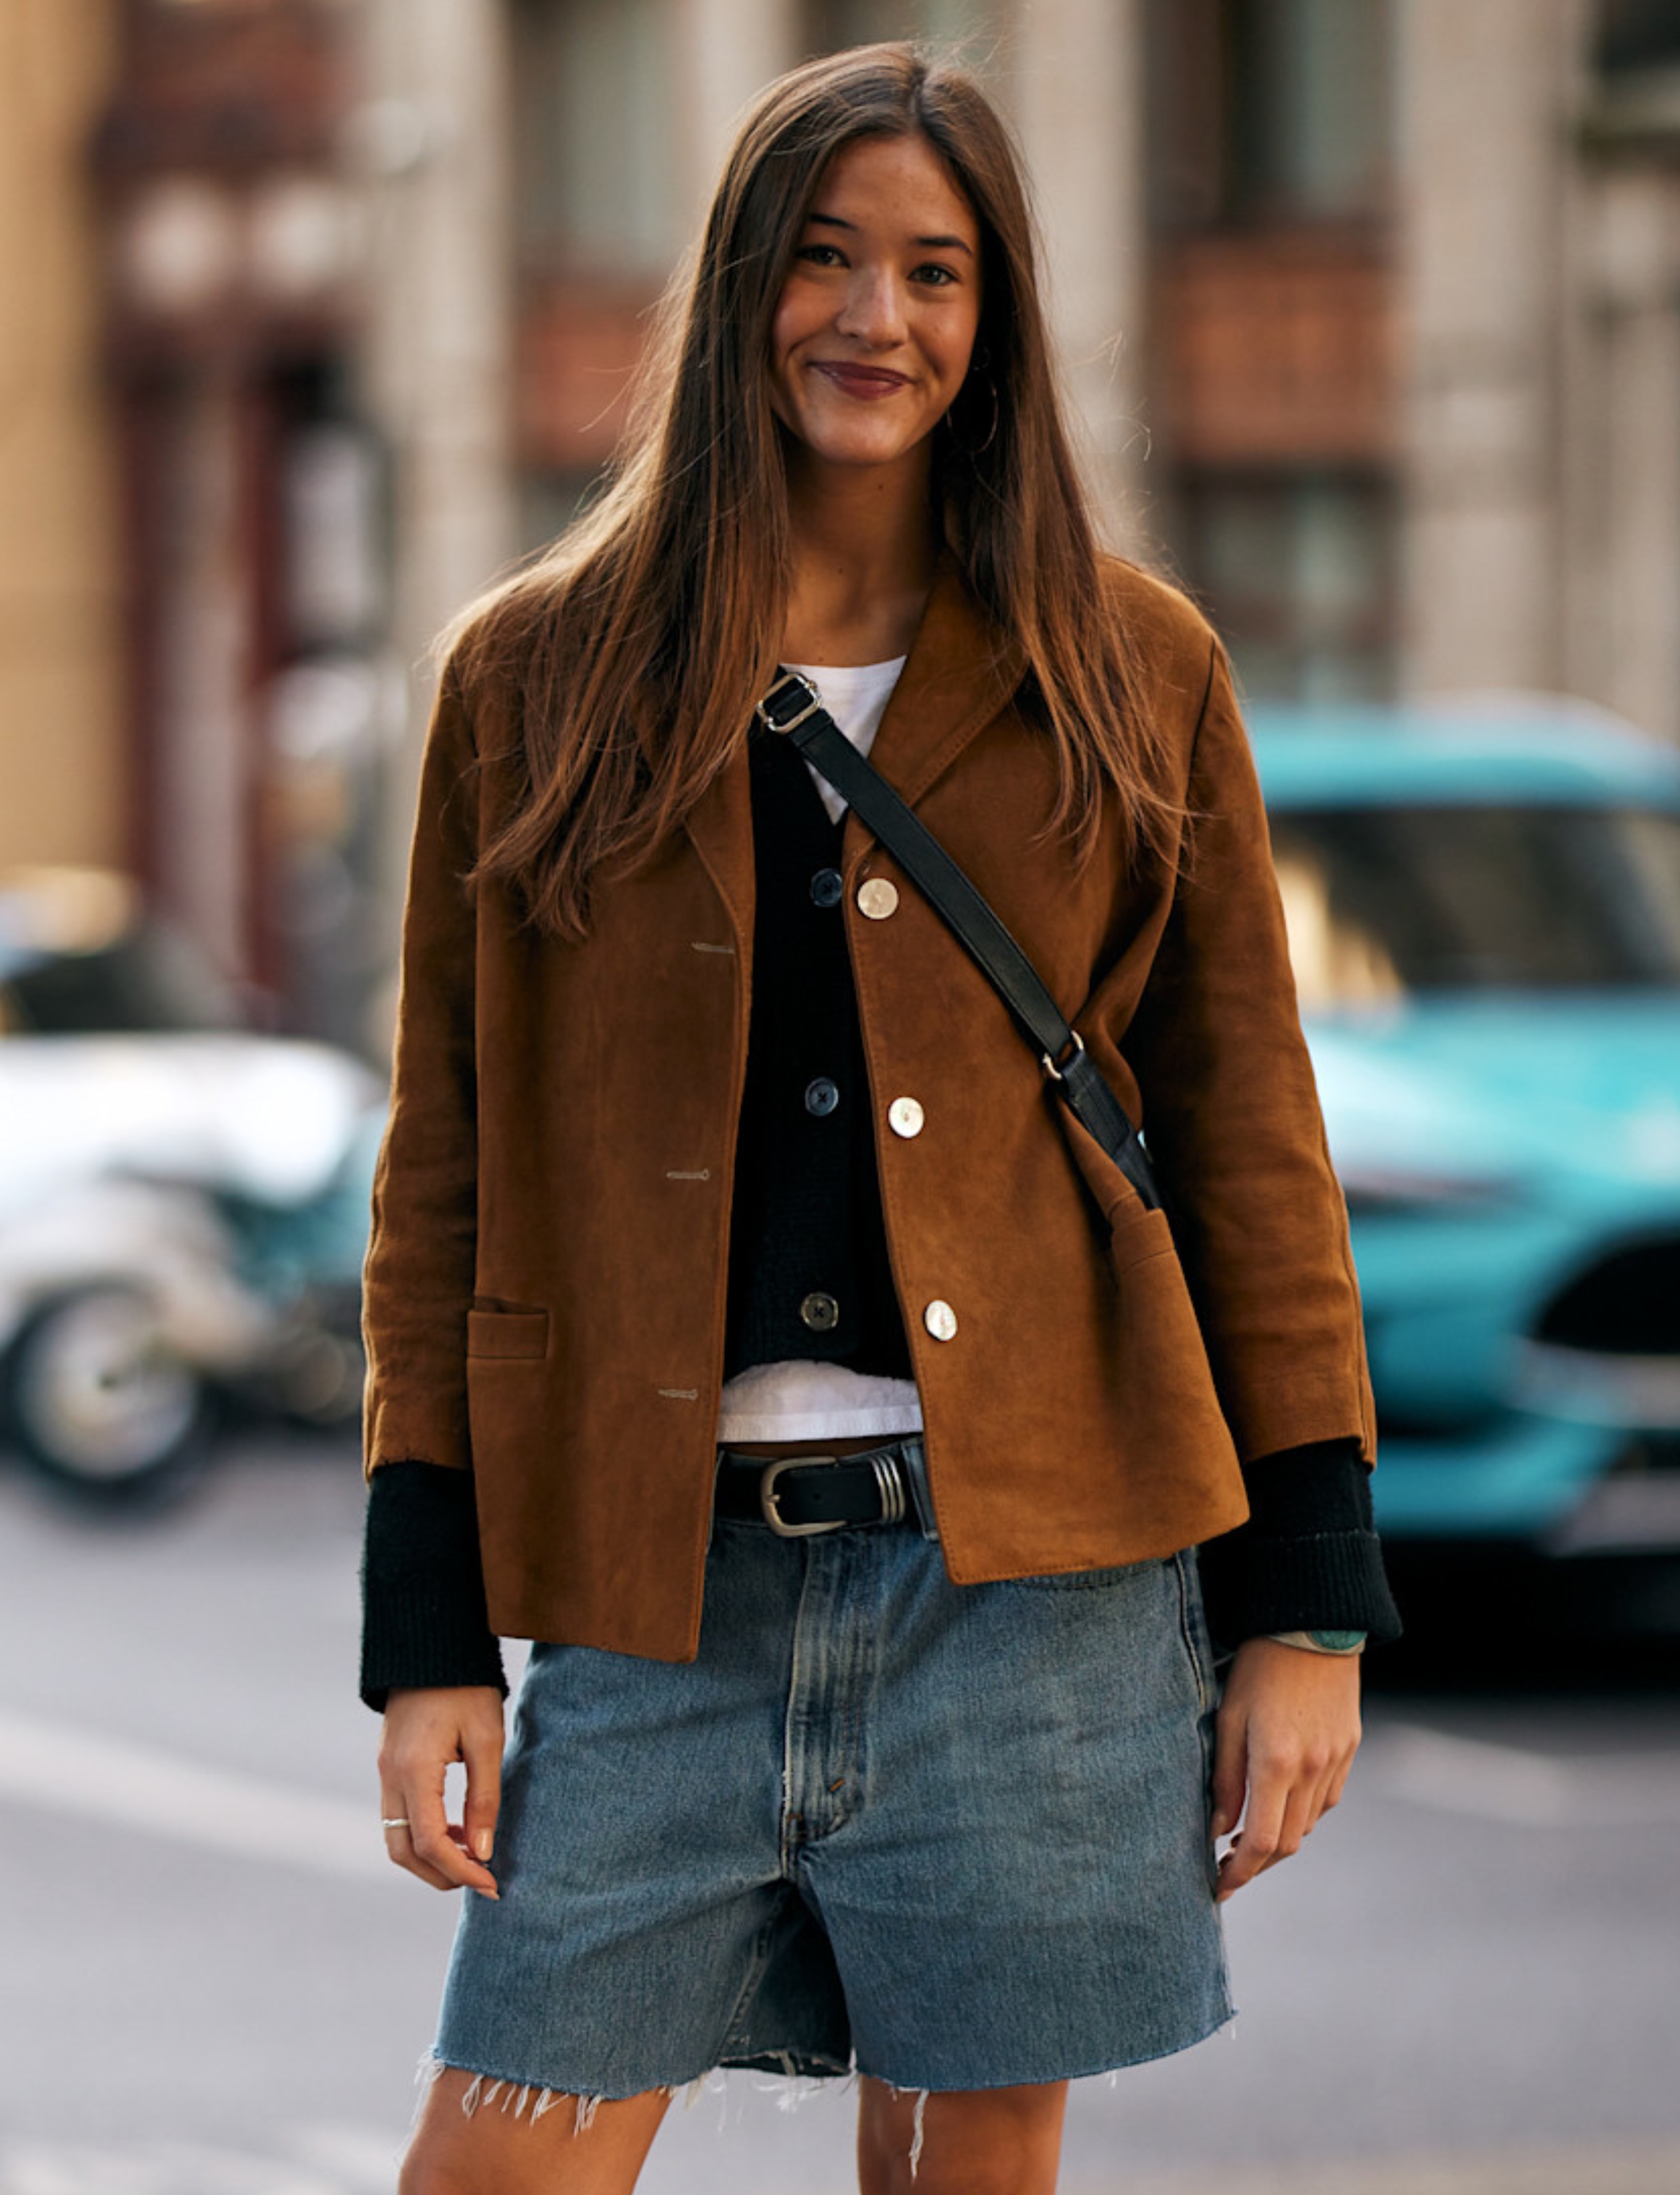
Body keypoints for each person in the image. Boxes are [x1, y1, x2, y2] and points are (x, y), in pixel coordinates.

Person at [360, 43, 1398, 2195]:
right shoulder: (532, 680)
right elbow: (441, 1177)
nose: (878, 319)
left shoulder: (1136, 669)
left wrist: (1305, 1610)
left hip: (1027, 1598)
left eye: (936, 273)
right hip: (658, 1610)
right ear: (743, 288)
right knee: (496, 2170)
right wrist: (429, 1641)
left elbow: (1252, 1160)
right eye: (825, 261)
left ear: (995, 318)